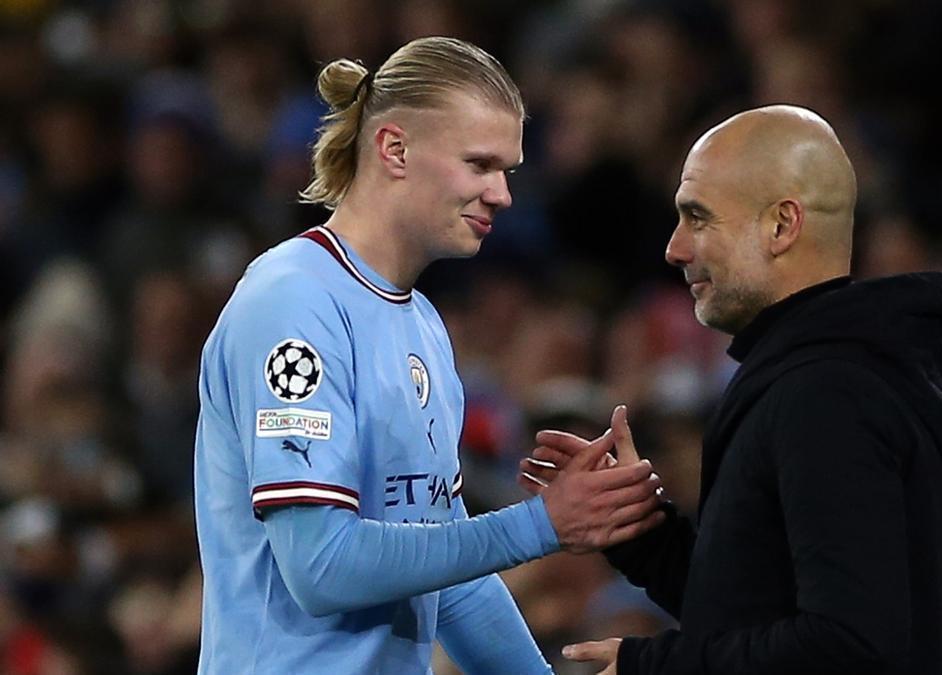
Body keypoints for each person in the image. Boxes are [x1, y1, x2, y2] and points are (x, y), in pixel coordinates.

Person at [193, 37, 664, 674]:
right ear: (395, 149)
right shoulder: (293, 303)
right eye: (479, 165)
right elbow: (320, 567)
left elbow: (449, 580)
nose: (502, 194)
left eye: (509, 171)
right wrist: (539, 525)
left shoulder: (422, 323)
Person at [521, 105, 942, 674]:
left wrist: (659, 667)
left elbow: (852, 645)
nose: (675, 248)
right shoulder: (812, 377)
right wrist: (640, 530)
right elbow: (748, 616)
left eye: (698, 217)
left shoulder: (828, 394)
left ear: (782, 225)